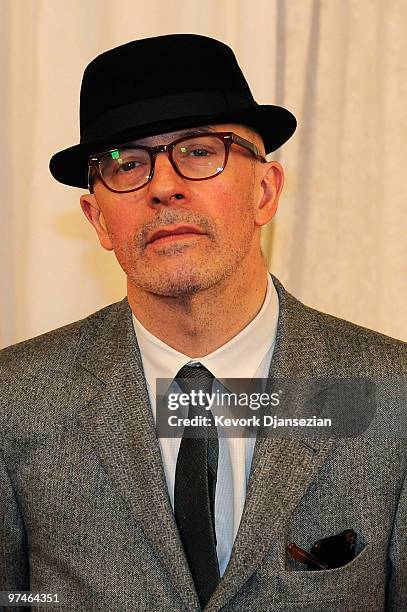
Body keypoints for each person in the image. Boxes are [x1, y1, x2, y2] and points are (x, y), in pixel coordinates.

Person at [0, 34, 406, 612]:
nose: (164, 187)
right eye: (127, 164)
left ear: (265, 191)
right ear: (98, 219)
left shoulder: (391, 395)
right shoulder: (14, 400)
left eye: (197, 151)